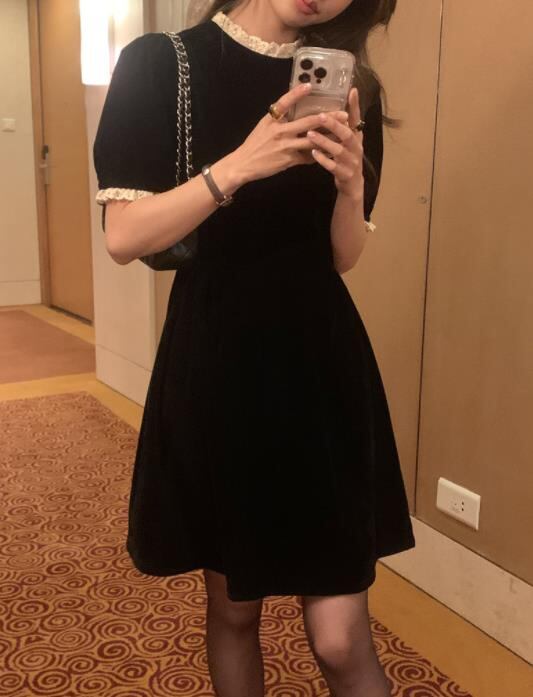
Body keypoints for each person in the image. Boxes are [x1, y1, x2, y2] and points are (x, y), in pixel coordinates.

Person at [93, 1, 415, 695]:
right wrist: (237, 167)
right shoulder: (161, 64)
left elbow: (342, 257)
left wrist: (350, 187)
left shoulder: (351, 84)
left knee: (339, 637)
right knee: (235, 609)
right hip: (217, 362)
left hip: (322, 366)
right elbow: (124, 236)